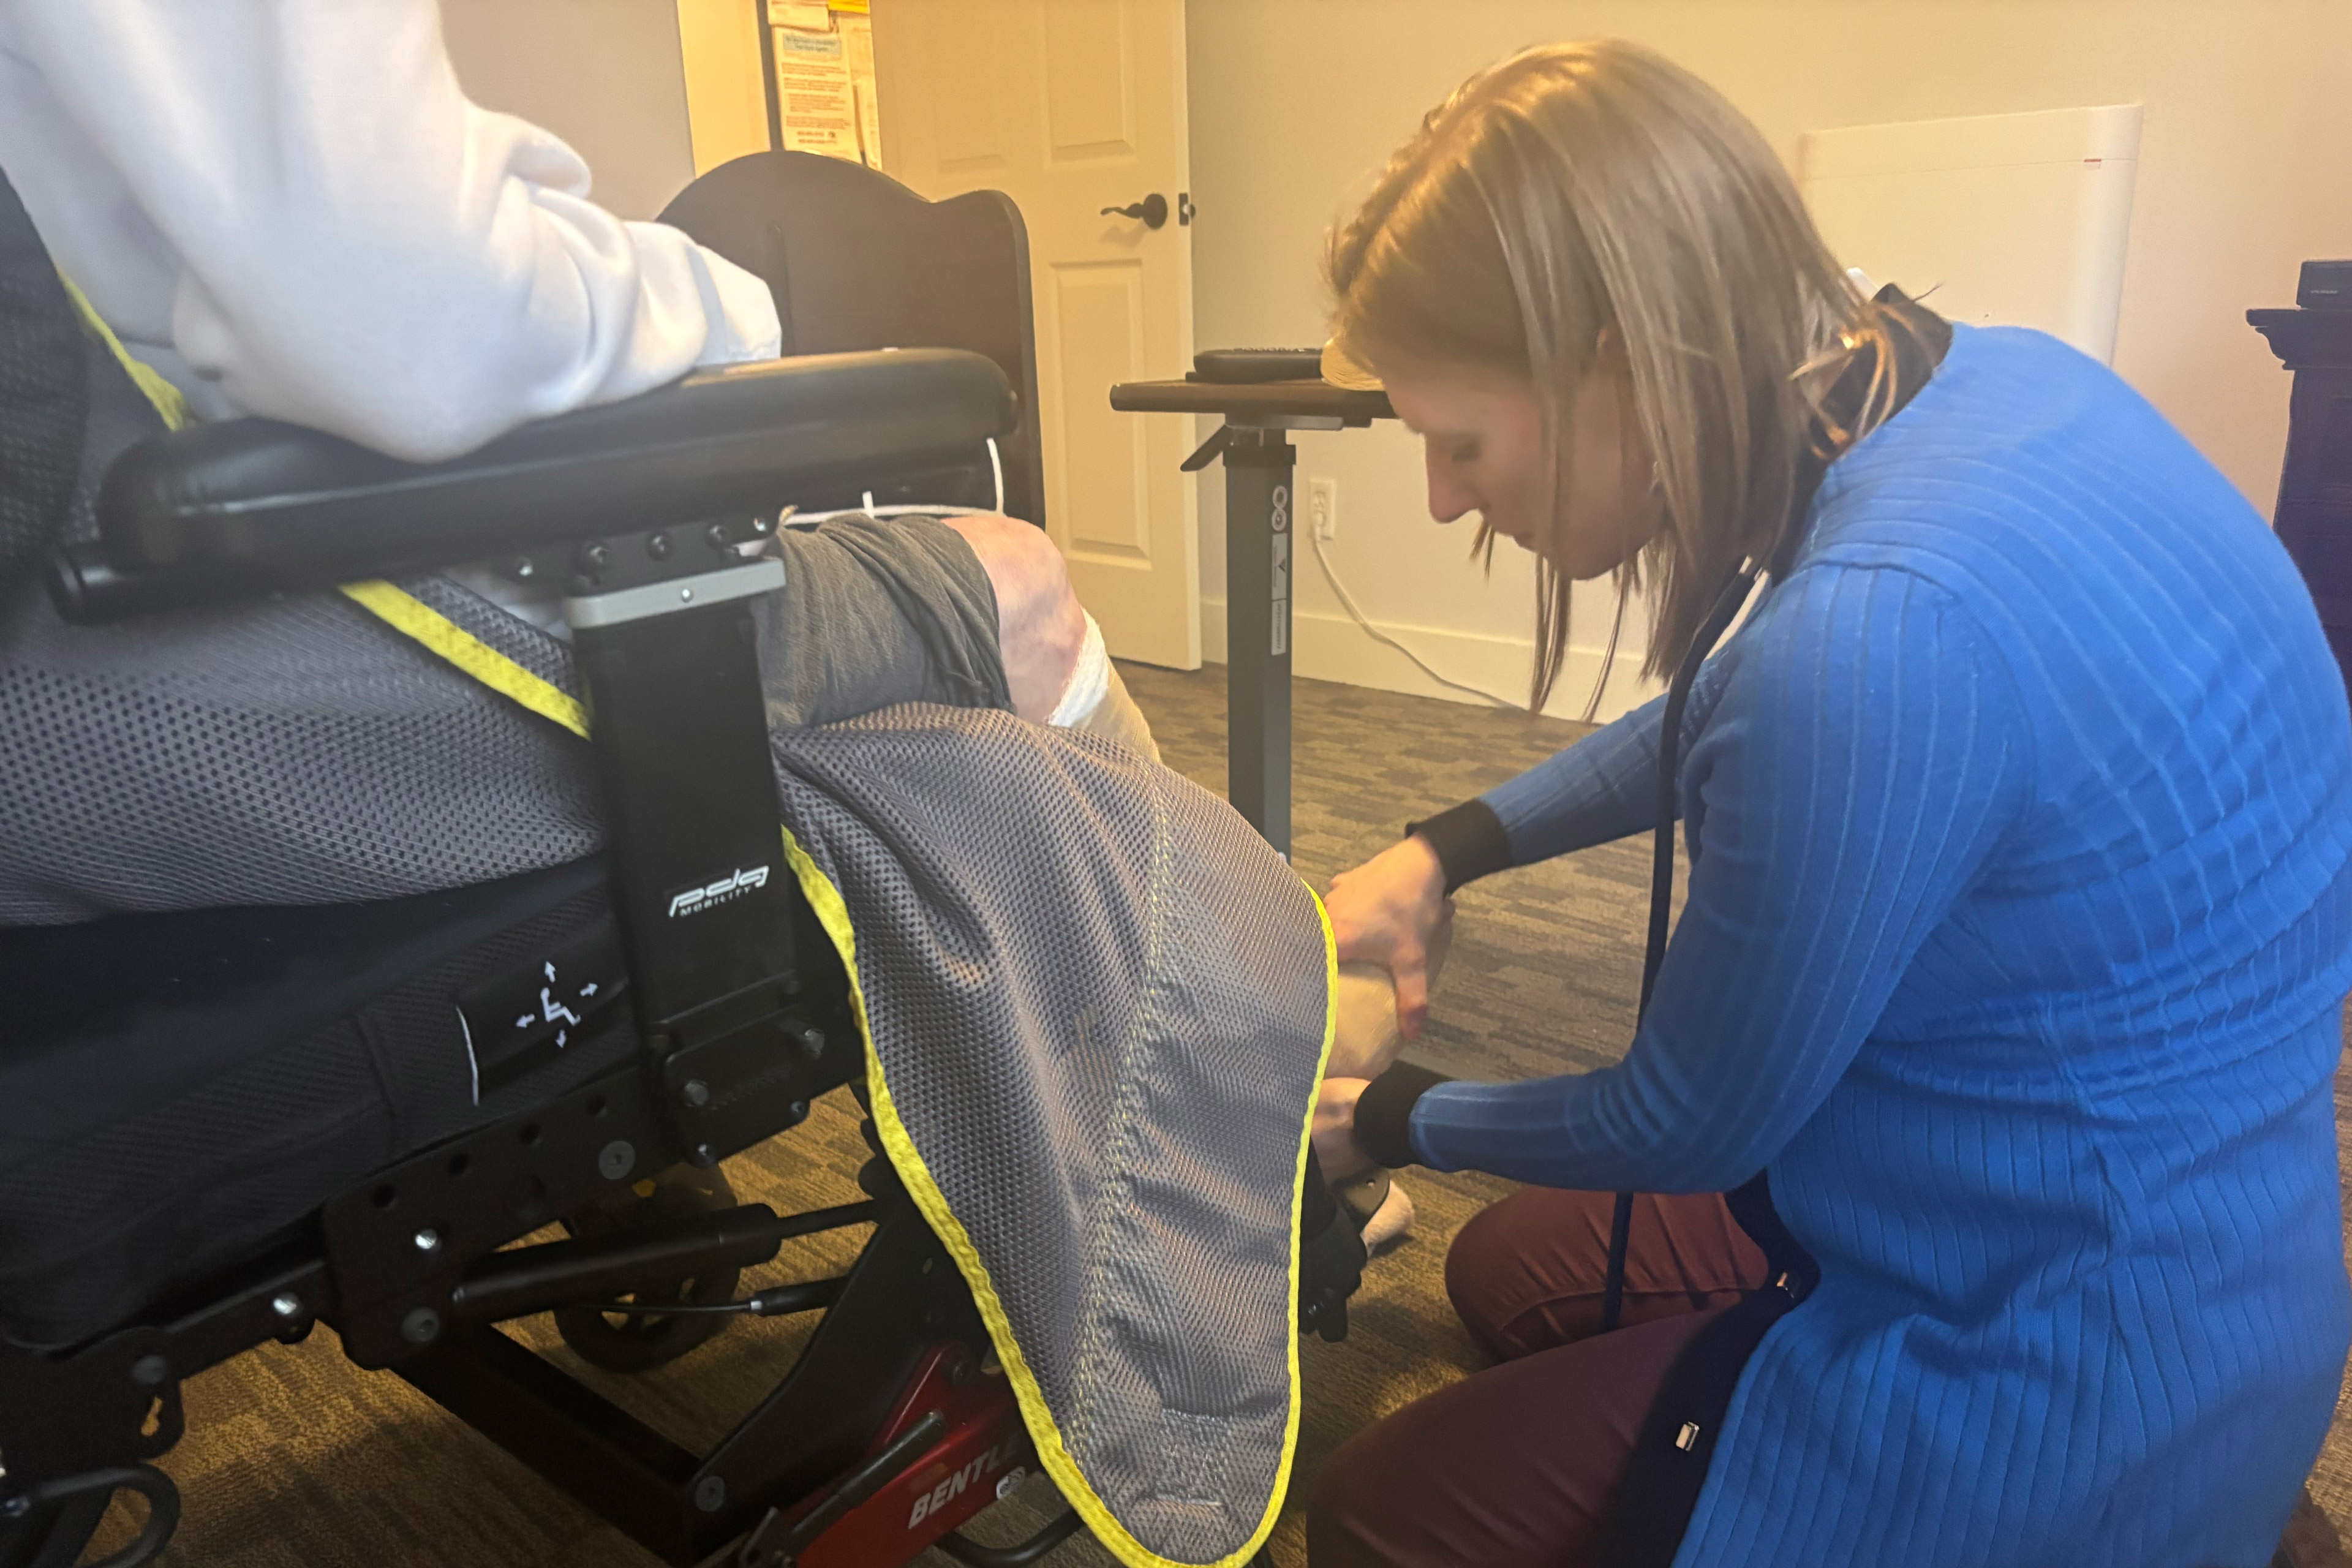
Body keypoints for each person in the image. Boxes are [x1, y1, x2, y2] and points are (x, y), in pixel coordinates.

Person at [1305, 39, 2352, 1568]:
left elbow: (1686, 1118)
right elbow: (1767, 716)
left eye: (1457, 442)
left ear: (1619, 359)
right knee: (1512, 1266)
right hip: (2200, 1227)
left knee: (1373, 1515)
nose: (1444, 497)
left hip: (2073, 1358)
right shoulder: (1996, 380)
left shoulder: (1874, 636)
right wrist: (1448, 847)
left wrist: (1390, 1115)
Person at [0, 0, 1156, 923]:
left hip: (55, 655)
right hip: (170, 662)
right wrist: (732, 306)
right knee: (1016, 582)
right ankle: (1206, 1054)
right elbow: (416, 324)